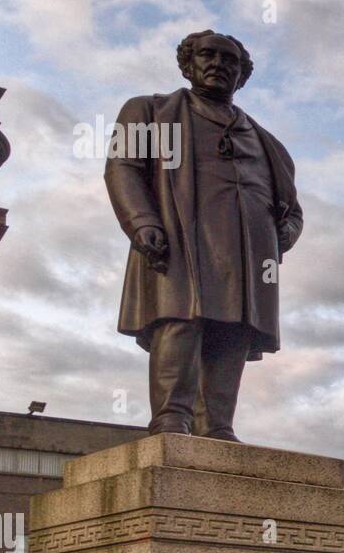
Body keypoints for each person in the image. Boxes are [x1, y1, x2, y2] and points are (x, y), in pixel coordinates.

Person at [105, 30, 303, 441]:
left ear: (242, 75)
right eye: (208, 56)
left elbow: (294, 210)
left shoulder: (270, 145)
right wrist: (142, 221)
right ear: (188, 64)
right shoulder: (150, 110)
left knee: (234, 329)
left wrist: (285, 230)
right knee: (180, 320)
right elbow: (122, 166)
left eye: (230, 61)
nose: (218, 65)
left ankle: (216, 425)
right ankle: (171, 418)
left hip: (248, 249)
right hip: (181, 237)